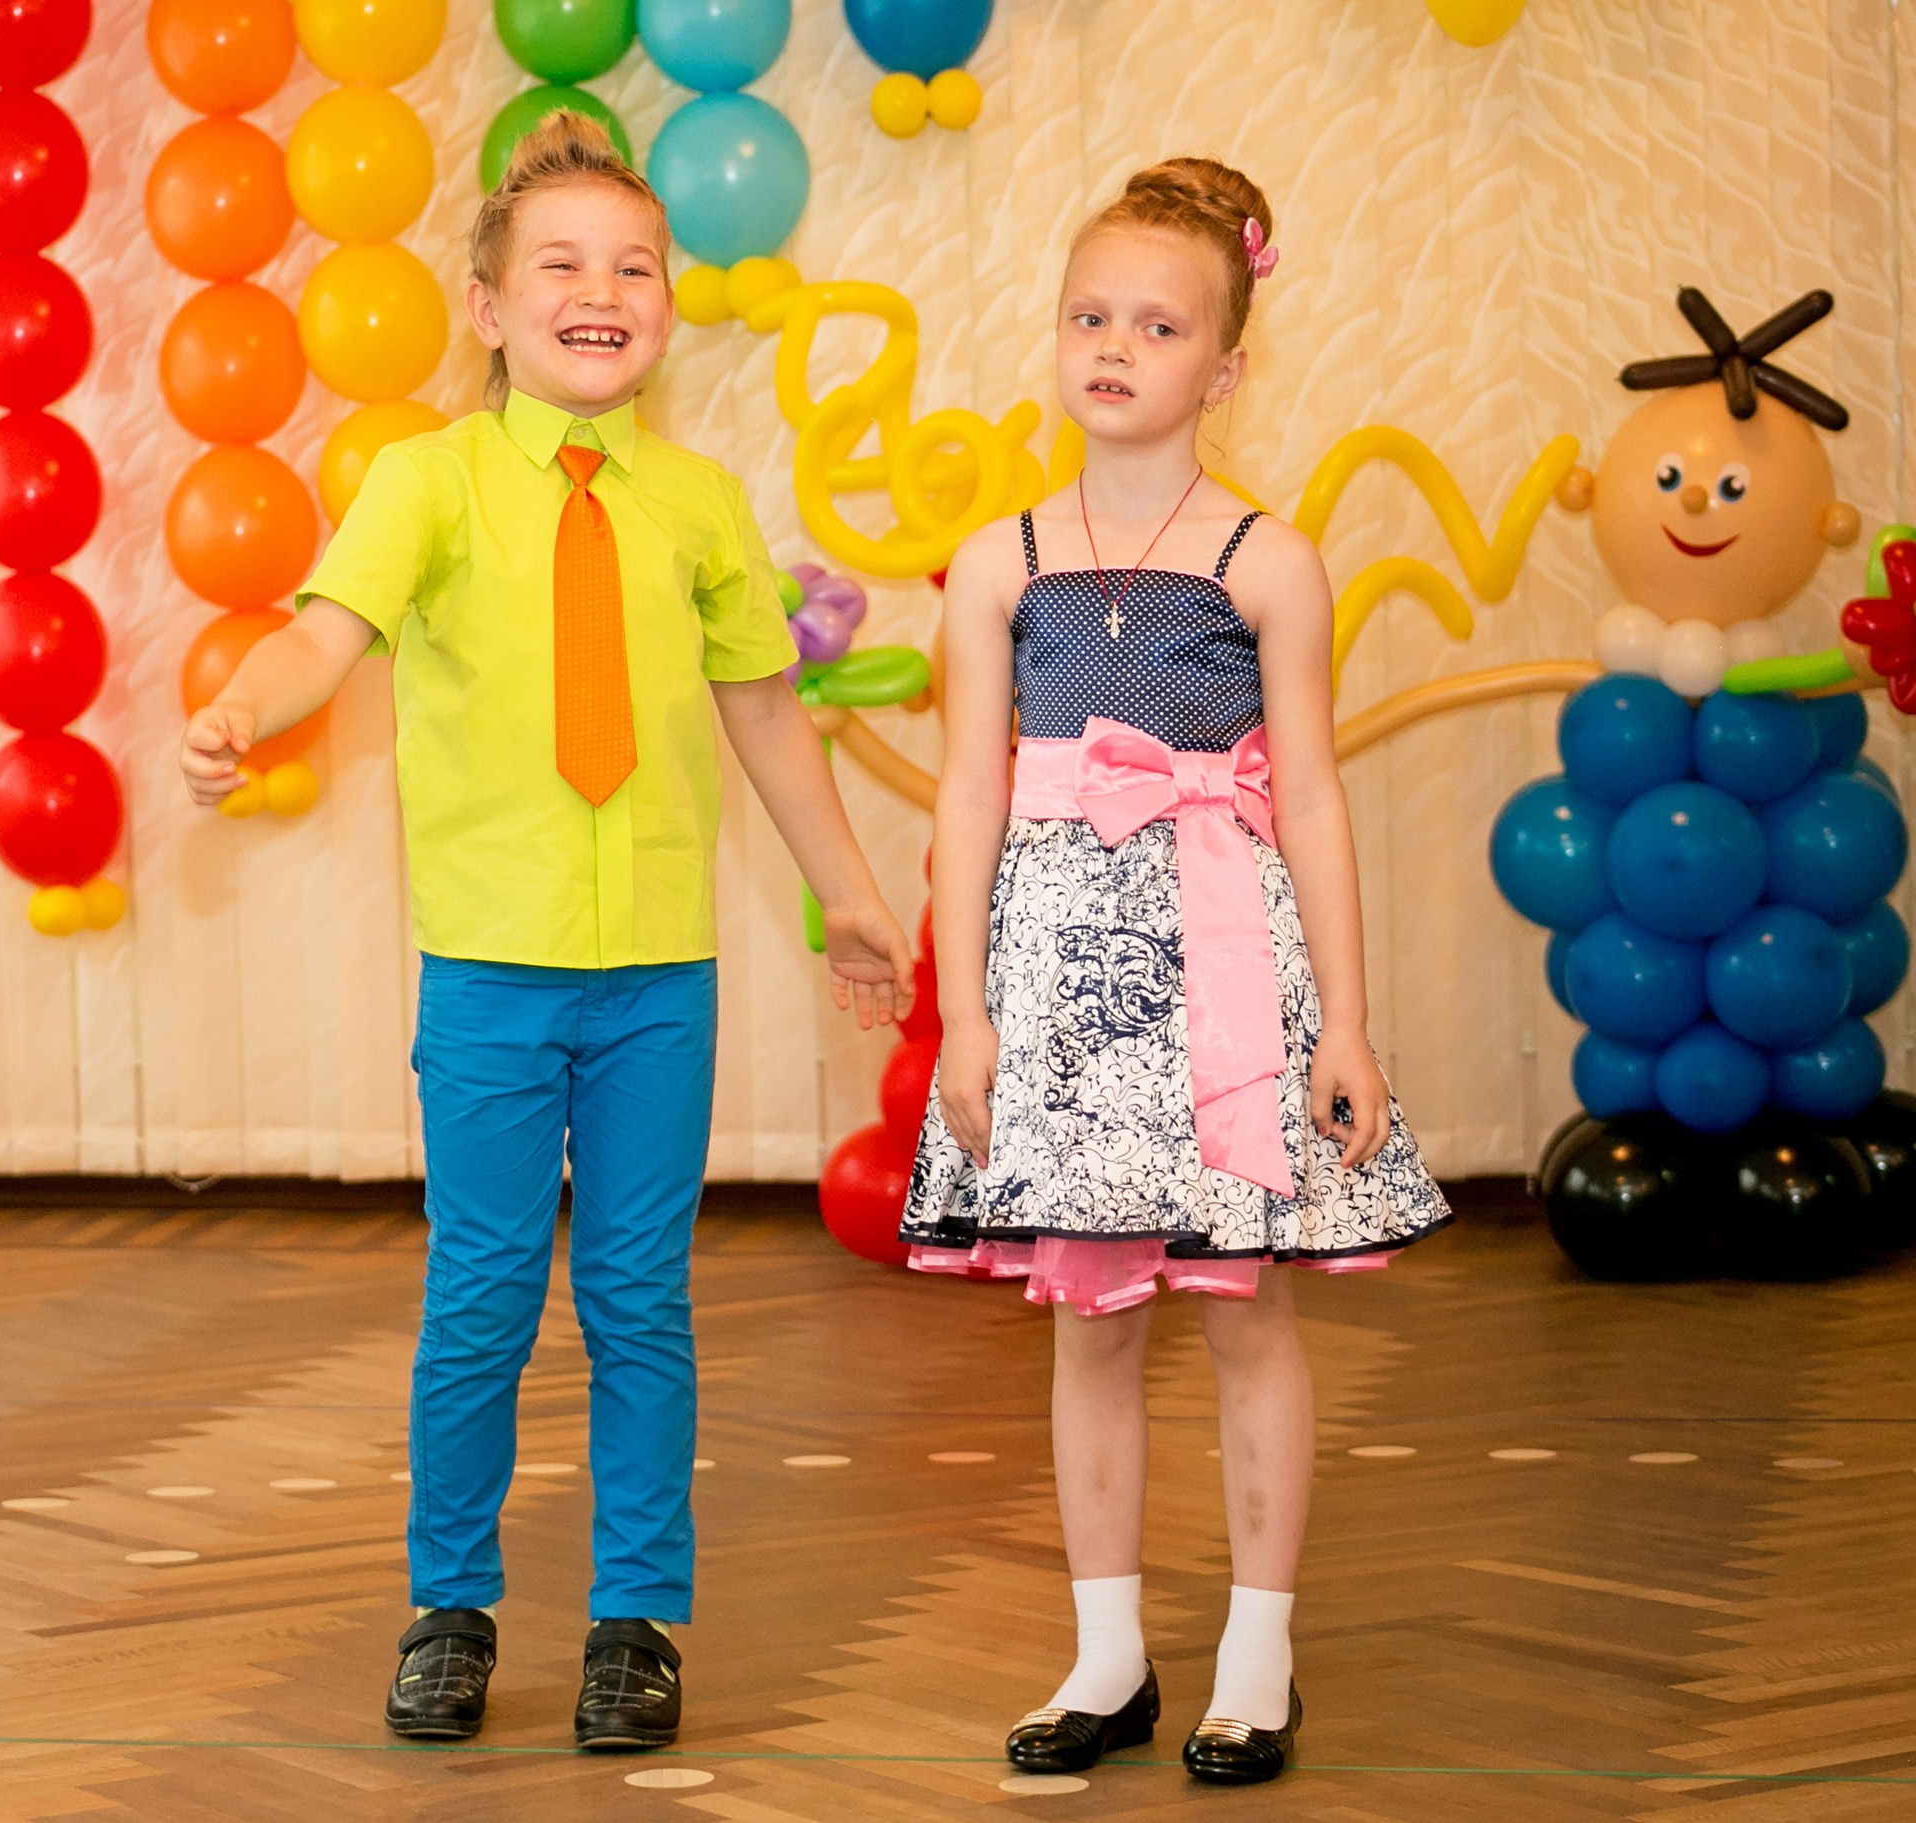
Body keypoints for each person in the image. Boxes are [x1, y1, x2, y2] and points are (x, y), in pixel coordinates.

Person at [180, 113, 914, 1755]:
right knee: (487, 1293)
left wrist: (849, 888)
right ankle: (451, 1604)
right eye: (563, 266)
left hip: (661, 974)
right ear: (492, 309)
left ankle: (637, 1622)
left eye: (635, 266)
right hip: (494, 969)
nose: (604, 291)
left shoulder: (704, 502)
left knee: (642, 1296)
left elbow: (768, 715)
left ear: (668, 305)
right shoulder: (426, 485)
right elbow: (325, 634)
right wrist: (242, 710)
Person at [903, 158, 1451, 1787]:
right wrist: (969, 1018)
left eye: (1158, 324)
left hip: (1224, 973)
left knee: (1245, 1316)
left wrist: (1344, 1020)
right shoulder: (996, 565)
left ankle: (1259, 1659)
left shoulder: (1269, 563)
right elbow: (966, 795)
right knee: (1089, 1328)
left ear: (1224, 366)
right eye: (1090, 316)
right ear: (1053, 339)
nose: (1115, 347)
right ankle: (1106, 1655)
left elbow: (1319, 797)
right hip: (1061, 993)